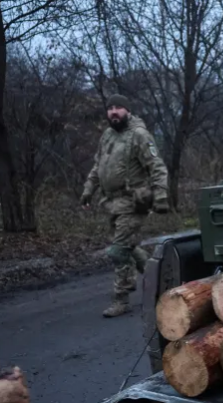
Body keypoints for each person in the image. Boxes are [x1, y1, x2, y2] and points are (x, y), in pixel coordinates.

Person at [80, 94, 170, 317]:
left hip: (133, 201)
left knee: (118, 250)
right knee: (129, 247)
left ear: (127, 110)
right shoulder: (108, 135)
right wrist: (88, 190)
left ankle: (121, 298)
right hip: (111, 202)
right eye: (110, 108)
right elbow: (97, 166)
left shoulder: (139, 135)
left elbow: (156, 167)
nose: (113, 112)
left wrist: (160, 196)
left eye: (118, 107)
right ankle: (161, 283)